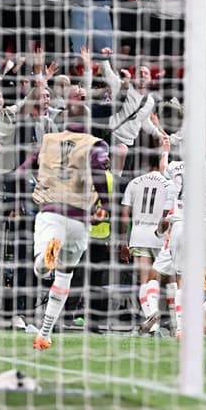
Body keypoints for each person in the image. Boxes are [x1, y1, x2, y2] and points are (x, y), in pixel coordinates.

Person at [25, 111, 110, 350]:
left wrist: (38, 185)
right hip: (79, 221)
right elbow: (98, 172)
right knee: (65, 277)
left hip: (52, 212)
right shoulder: (95, 144)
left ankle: (45, 258)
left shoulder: (49, 140)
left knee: (40, 270)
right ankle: (44, 334)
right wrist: (107, 204)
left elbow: (24, 167)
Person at [119, 153, 172, 335]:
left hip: (139, 235)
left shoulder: (134, 183)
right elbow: (168, 214)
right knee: (166, 281)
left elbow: (124, 215)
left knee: (144, 281)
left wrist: (122, 241)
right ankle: (173, 323)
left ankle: (152, 317)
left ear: (146, 162)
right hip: (161, 237)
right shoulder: (169, 184)